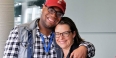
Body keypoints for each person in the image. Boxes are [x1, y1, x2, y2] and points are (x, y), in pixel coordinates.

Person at [3, 0, 95, 58]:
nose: (54, 15)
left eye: (59, 13)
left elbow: (84, 45)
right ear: (43, 8)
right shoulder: (20, 32)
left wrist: (84, 48)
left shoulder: (59, 35)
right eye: (51, 10)